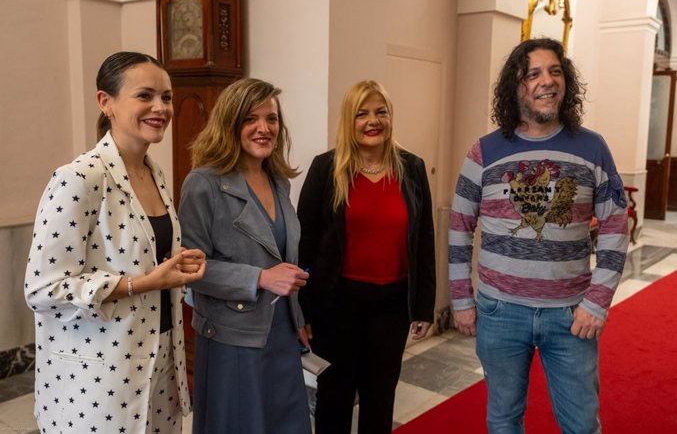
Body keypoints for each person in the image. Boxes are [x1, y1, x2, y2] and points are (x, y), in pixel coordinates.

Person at [449, 38, 629, 433]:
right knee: (503, 420)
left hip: (570, 315)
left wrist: (597, 302)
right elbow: (459, 227)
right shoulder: (485, 152)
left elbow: (616, 226)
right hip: (500, 311)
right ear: (516, 88)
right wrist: (462, 299)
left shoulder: (592, 147)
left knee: (581, 424)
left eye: (555, 71)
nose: (547, 81)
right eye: (533, 74)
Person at [24, 51, 207, 433]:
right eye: (145, 96)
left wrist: (178, 264)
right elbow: (43, 288)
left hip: (160, 360)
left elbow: (141, 258)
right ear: (105, 101)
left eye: (167, 97)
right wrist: (142, 283)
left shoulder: (153, 173)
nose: (160, 107)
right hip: (99, 377)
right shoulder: (79, 178)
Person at [298, 80, 436, 434]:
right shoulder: (326, 169)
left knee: (380, 399)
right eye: (362, 113)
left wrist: (423, 306)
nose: (372, 121)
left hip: (391, 308)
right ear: (349, 119)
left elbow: (423, 240)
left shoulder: (412, 169)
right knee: (334, 399)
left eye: (380, 112)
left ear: (390, 117)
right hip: (336, 306)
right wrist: (303, 310)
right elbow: (305, 244)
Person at [178, 78, 311, 434]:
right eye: (251, 118)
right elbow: (190, 269)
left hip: (282, 332)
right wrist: (260, 278)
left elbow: (284, 256)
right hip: (231, 338)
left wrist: (297, 319)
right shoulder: (202, 183)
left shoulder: (279, 181)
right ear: (230, 123)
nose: (263, 128)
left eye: (272, 119)